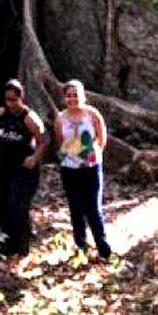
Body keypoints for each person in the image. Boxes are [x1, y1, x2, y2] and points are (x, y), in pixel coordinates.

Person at [0, 79, 49, 256]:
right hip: (1, 166)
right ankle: (8, 243)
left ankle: (22, 248)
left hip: (22, 169)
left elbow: (44, 140)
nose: (11, 104)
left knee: (18, 206)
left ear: (21, 98)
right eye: (8, 99)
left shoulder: (29, 117)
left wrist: (35, 157)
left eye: (14, 100)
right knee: (3, 205)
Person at [54, 79, 112, 260]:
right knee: (76, 208)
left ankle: (104, 248)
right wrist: (72, 157)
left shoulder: (92, 114)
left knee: (93, 208)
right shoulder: (60, 118)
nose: (72, 99)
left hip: (91, 168)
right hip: (69, 169)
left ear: (83, 96)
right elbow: (60, 141)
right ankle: (81, 248)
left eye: (76, 95)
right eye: (69, 96)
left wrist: (93, 155)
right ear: (64, 98)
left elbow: (102, 138)